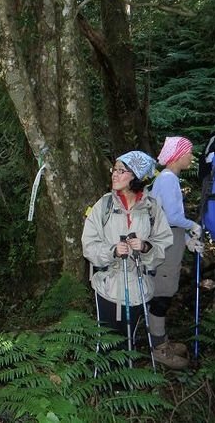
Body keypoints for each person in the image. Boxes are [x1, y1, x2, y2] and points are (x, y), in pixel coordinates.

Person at [82, 151, 173, 353]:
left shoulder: (152, 208)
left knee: (128, 342)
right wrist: (112, 251)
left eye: (121, 170)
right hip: (109, 287)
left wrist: (146, 247)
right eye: (114, 169)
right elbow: (88, 244)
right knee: (106, 345)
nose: (114, 174)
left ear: (136, 176)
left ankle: (124, 383)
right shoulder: (103, 206)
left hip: (140, 288)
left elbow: (163, 240)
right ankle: (105, 383)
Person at [149, 137, 203, 368]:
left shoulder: (165, 178)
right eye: (189, 153)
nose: (191, 157)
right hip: (167, 244)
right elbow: (171, 217)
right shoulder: (169, 179)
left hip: (170, 240)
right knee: (162, 293)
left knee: (164, 291)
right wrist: (192, 226)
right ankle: (158, 348)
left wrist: (188, 238)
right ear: (179, 155)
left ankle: (161, 340)